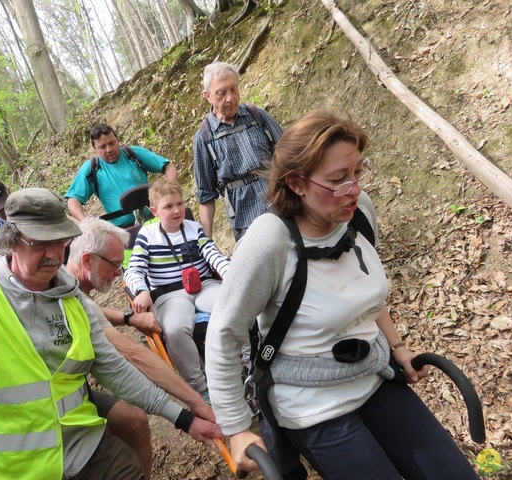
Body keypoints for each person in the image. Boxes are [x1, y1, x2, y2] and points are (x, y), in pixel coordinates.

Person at [205, 110, 480, 480]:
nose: (354, 188)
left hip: (373, 376)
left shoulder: (357, 213)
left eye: (357, 173)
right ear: (296, 184)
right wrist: (237, 428)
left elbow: (366, 296)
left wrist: (398, 347)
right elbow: (223, 335)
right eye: (337, 179)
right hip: (312, 405)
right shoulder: (269, 241)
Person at [0, 188, 220, 480]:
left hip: (82, 447)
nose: (54, 255)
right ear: (12, 241)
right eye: (41, 243)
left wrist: (184, 417)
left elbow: (113, 366)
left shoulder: (71, 298)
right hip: (12, 468)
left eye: (60, 242)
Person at [66, 216, 219, 478]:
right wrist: (194, 404)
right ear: (87, 260)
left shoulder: (70, 284)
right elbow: (134, 355)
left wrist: (129, 317)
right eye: (114, 264)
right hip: (51, 406)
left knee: (135, 421)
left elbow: (94, 313)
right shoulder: (68, 296)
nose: (119, 272)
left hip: (71, 387)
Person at [124, 179, 230, 400]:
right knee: (174, 329)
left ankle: (244, 364)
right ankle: (201, 386)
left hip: (203, 285)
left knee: (233, 304)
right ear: (154, 211)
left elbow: (213, 254)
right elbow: (133, 271)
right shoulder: (147, 235)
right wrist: (142, 290)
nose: (176, 210)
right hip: (169, 294)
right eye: (168, 206)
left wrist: (231, 275)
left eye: (180, 204)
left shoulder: (194, 228)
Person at [193, 61, 284, 241]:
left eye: (234, 89)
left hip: (280, 200)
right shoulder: (204, 138)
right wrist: (207, 244)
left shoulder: (256, 116)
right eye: (221, 93)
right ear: (208, 96)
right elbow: (206, 195)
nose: (230, 98)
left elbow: (289, 153)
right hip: (245, 218)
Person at [65, 123, 178, 227]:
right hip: (122, 231)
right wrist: (85, 223)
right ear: (94, 148)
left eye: (112, 143)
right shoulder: (92, 168)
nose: (109, 149)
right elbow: (73, 200)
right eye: (102, 147)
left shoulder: (134, 154)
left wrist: (170, 192)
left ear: (117, 139)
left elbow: (168, 166)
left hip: (153, 220)